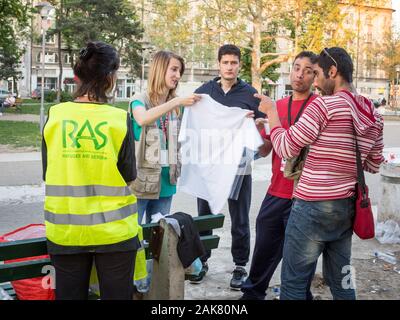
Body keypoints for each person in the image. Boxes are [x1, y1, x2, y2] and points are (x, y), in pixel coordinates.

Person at [256, 47, 384, 300]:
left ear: (332, 72)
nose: (314, 81)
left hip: (310, 208)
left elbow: (284, 148)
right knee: (343, 282)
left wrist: (272, 113)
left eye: (316, 73)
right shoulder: (373, 113)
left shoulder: (324, 106)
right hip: (345, 209)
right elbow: (373, 164)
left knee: (293, 284)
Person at [42, 41, 140, 300]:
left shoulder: (55, 115)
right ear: (109, 78)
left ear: (79, 75)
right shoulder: (118, 119)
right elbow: (129, 176)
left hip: (65, 231)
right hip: (115, 232)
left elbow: (47, 172)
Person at [240, 51, 318, 300]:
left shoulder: (319, 108)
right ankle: (252, 294)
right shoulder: (277, 107)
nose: (300, 74)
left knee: (301, 257)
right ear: (290, 70)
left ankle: (299, 295)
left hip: (305, 196)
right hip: (277, 191)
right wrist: (255, 131)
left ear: (315, 76)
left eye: (308, 70)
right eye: (297, 68)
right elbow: (265, 150)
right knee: (264, 248)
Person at [189, 44, 265, 290]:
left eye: (234, 63)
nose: (230, 67)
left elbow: (262, 127)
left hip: (240, 165)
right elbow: (192, 123)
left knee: (240, 217)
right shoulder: (204, 93)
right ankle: (202, 261)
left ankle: (241, 265)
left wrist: (258, 123)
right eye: (226, 62)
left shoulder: (250, 95)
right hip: (209, 166)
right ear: (218, 64)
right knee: (205, 216)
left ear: (239, 65)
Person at [129, 51, 201, 225]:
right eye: (174, 69)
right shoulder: (139, 100)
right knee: (135, 236)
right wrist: (176, 102)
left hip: (167, 182)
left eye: (179, 72)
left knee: (160, 240)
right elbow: (142, 118)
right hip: (142, 183)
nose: (177, 76)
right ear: (160, 69)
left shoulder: (178, 106)